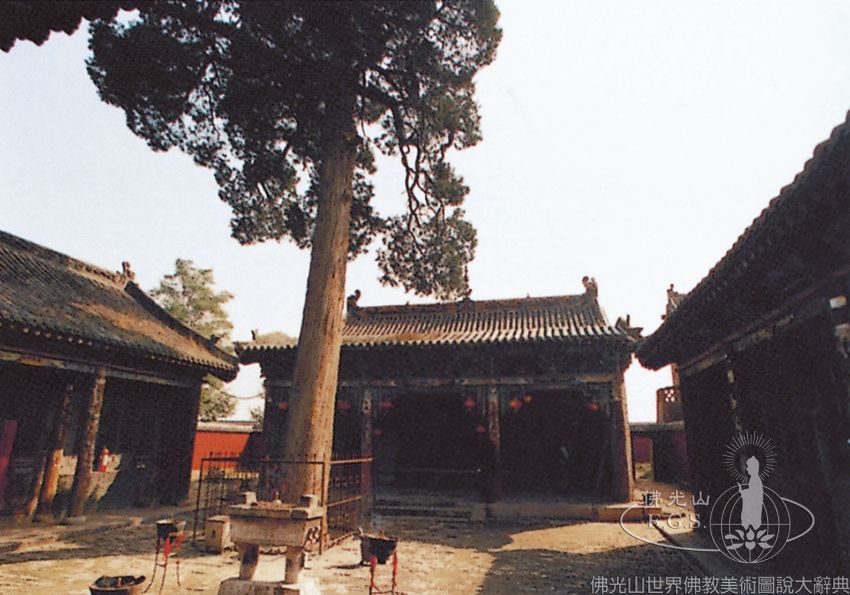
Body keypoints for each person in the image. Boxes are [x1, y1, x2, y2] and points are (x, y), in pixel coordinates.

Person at [738, 456, 763, 530]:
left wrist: (742, 492)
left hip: (753, 510)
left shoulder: (755, 479)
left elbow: (753, 495)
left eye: (748, 466)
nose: (746, 469)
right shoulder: (754, 478)